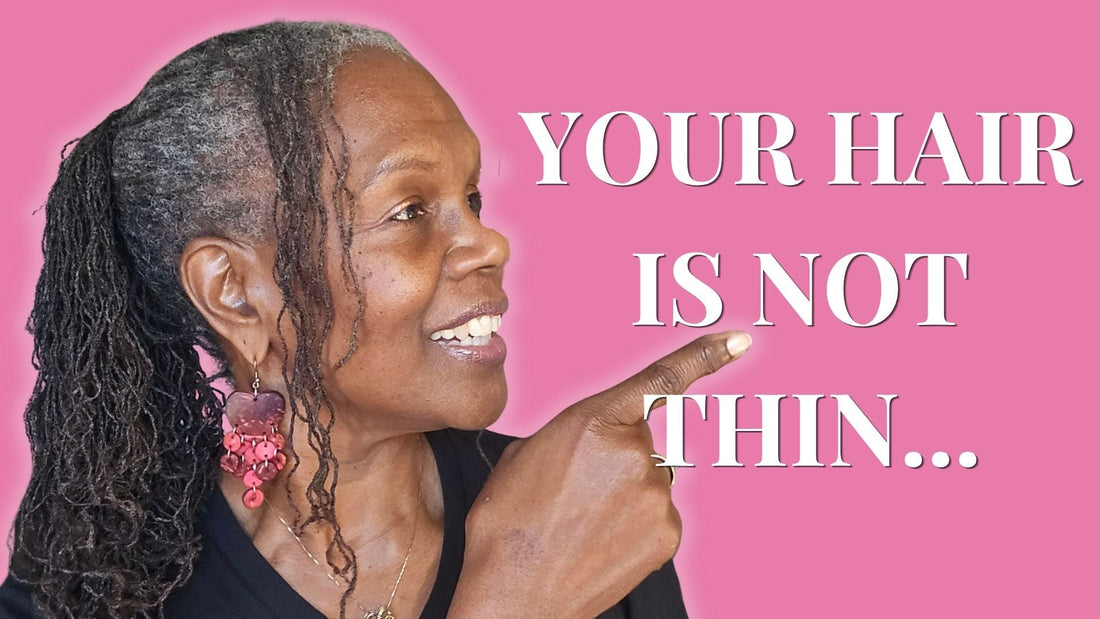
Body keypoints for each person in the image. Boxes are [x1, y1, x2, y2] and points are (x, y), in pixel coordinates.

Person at [0, 21, 752, 618]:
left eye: (473, 198)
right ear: (234, 291)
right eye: (410, 210)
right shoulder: (95, 572)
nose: (490, 242)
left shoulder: (578, 512)